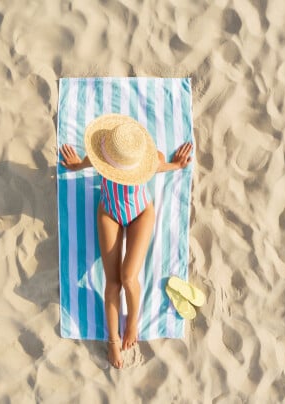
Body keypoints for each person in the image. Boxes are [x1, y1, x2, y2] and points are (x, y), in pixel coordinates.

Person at [59, 114, 193, 369]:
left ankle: (132, 323)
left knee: (129, 277)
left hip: (141, 213)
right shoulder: (104, 157)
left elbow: (160, 165)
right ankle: (113, 340)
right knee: (113, 281)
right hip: (109, 212)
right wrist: (77, 166)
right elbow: (92, 160)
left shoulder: (149, 161)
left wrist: (177, 165)